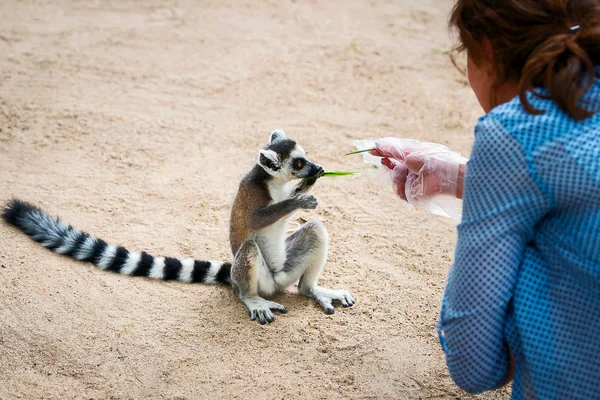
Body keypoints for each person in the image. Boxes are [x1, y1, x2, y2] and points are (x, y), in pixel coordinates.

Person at [370, 1, 600, 399]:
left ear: (487, 51)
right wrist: (464, 178)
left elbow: (476, 366)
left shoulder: (515, 132)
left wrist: (490, 200)